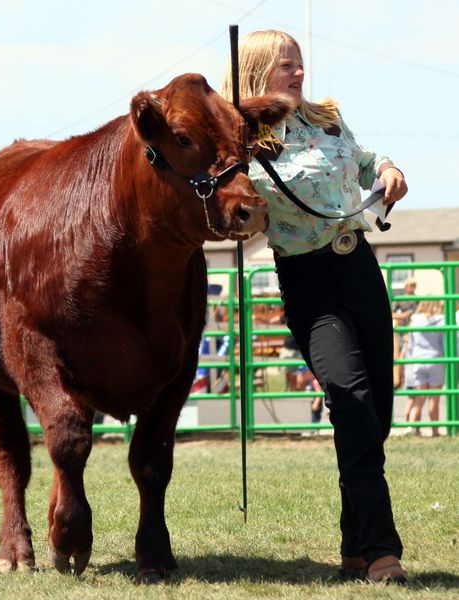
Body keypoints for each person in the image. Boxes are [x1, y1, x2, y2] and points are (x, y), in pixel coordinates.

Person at [222, 30, 408, 583]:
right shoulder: (242, 141)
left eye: (299, 63)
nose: (298, 73)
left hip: (360, 266)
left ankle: (355, 546)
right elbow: (232, 208)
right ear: (257, 73)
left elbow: (366, 159)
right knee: (350, 401)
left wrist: (389, 172)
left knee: (377, 412)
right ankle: (380, 552)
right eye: (285, 66)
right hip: (308, 279)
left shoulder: (326, 119)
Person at [406, 301, 445, 437]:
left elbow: (410, 343)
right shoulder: (441, 320)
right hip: (436, 360)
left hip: (418, 360)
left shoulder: (414, 320)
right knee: (434, 399)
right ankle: (435, 431)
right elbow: (445, 342)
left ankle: (412, 429)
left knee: (420, 398)